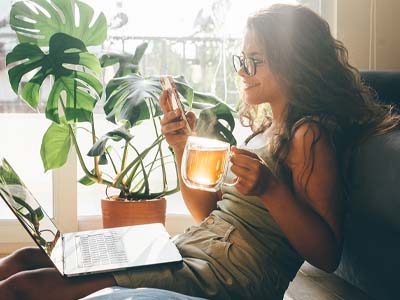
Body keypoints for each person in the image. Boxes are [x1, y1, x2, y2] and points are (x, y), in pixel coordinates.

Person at [0, 4, 399, 300]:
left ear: (292, 64)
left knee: (27, 287)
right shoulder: (265, 130)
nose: (242, 70)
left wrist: (271, 189)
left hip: (228, 276)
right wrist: (179, 147)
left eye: (254, 61)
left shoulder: (309, 136)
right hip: (192, 249)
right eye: (241, 59)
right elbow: (209, 214)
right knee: (24, 259)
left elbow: (327, 254)